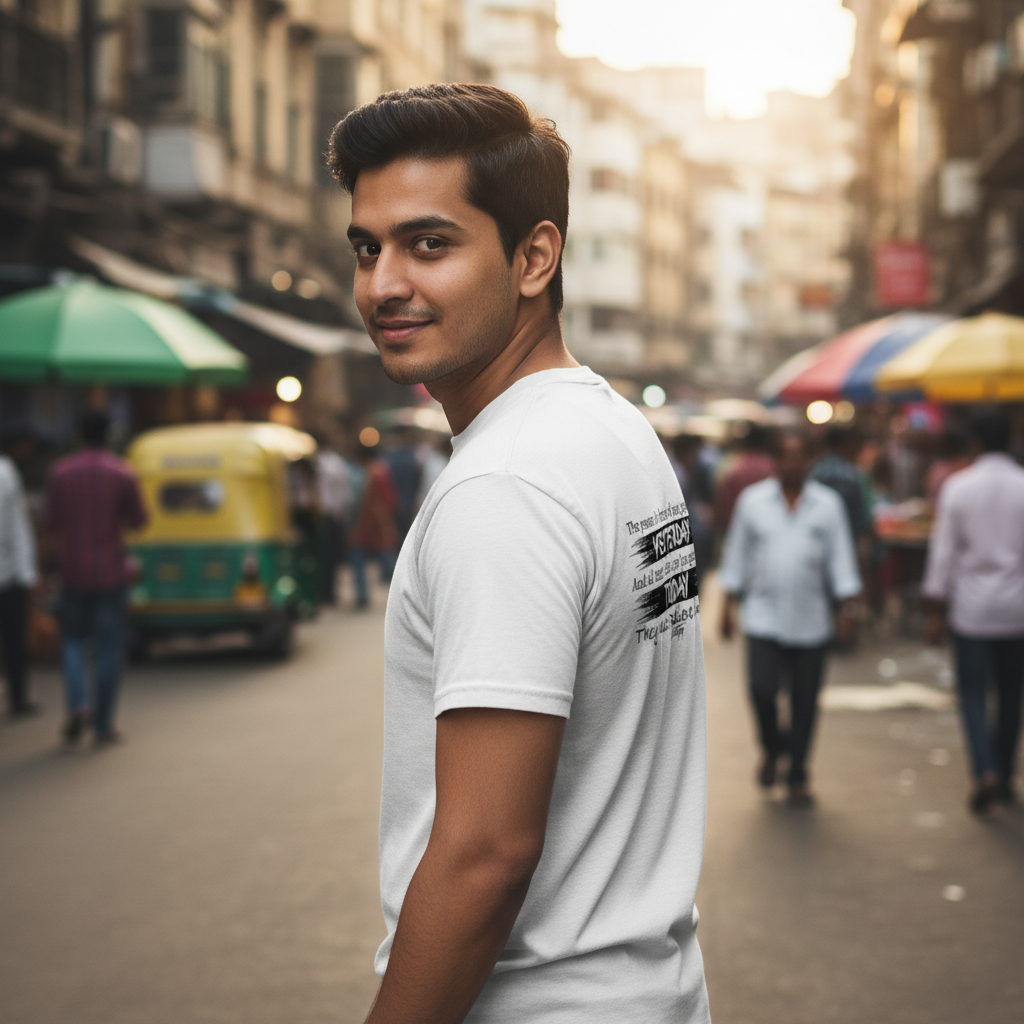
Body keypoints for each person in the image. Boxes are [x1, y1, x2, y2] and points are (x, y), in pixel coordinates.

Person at [331, 83, 710, 1023]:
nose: (383, 285)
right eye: (367, 248)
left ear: (534, 256)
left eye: (429, 244)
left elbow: (485, 855)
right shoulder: (609, 428)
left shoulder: (504, 485)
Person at [719, 431, 861, 806]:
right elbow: (737, 555)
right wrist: (727, 607)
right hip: (763, 617)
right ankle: (773, 748)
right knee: (761, 690)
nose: (792, 465)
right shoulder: (753, 503)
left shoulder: (827, 506)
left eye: (799, 457)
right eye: (785, 457)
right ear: (774, 461)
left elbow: (841, 560)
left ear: (808, 461)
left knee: (805, 701)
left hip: (812, 621)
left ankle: (797, 771)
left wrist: (847, 609)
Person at [923, 410, 1024, 814]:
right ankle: (1005, 771)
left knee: (972, 694)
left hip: (972, 611)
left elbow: (943, 553)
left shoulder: (959, 487)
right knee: (1012, 695)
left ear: (976, 443)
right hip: (1017, 609)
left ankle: (985, 771)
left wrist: (934, 605)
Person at [42, 410, 147, 747]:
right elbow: (140, 520)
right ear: (109, 436)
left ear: (78, 435)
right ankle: (102, 725)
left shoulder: (60, 473)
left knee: (71, 640)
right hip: (109, 572)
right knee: (107, 647)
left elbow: (49, 522)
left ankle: (78, 703)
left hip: (71, 570)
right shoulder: (122, 473)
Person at [0, 428, 39, 717]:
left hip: (9, 571)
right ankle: (18, 699)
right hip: (9, 575)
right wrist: (28, 574)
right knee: (14, 641)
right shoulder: (6, 474)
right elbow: (18, 528)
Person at [348, 444, 399, 610]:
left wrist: (384, 525)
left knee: (377, 557)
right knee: (385, 557)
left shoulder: (375, 473)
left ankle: (363, 595)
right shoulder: (379, 471)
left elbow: (380, 502)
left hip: (371, 523)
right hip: (373, 523)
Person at [712, 422, 773, 547]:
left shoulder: (731, 466)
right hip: (769, 533)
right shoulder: (773, 467)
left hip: (733, 533)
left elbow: (722, 504)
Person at [809, 425, 871, 543]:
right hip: (846, 540)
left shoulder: (814, 470)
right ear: (847, 443)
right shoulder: (852, 476)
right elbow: (862, 522)